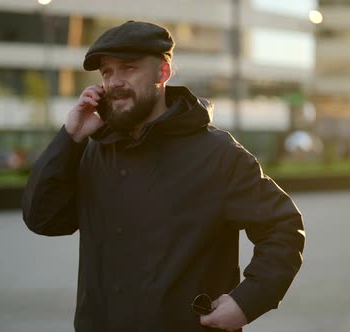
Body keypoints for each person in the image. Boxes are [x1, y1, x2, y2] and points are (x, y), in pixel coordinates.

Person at [22, 20, 305, 332]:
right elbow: (43, 219)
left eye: (128, 68)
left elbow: (283, 228)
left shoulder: (218, 153)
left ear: (163, 73)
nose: (114, 81)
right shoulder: (95, 150)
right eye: (107, 72)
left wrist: (247, 301)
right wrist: (70, 137)